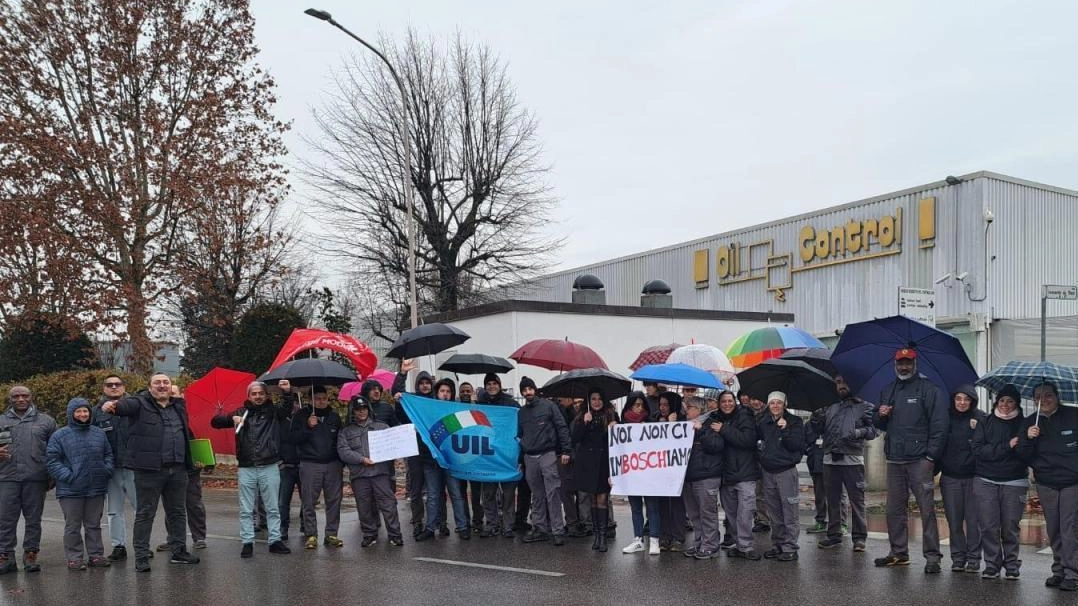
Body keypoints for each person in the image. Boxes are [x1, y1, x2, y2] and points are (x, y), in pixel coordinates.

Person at [100, 374, 199, 572]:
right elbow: (124, 406)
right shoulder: (139, 403)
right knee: (146, 513)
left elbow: (185, 434)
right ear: (149, 387)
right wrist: (111, 407)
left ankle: (179, 551)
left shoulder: (178, 406)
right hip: (149, 470)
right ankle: (142, 557)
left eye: (166, 382)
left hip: (178, 468)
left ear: (171, 387)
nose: (162, 386)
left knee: (178, 512)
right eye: (157, 383)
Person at [872, 348, 947, 573]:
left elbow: (940, 426)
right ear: (895, 364)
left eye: (908, 362)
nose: (904, 367)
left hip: (919, 461)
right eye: (900, 363)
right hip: (894, 459)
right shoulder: (888, 389)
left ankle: (933, 556)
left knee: (926, 509)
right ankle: (898, 553)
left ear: (915, 364)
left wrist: (930, 456)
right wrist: (880, 414)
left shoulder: (929, 389)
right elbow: (879, 423)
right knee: (894, 509)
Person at [211, 380, 293, 557]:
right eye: (254, 394)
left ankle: (275, 540)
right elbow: (215, 422)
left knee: (272, 507)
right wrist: (230, 418)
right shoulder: (241, 412)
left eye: (261, 393)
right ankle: (247, 542)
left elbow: (286, 409)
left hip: (269, 464)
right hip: (246, 467)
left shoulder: (273, 412)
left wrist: (287, 392)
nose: (257, 396)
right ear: (248, 396)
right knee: (246, 509)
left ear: (266, 395)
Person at [1017, 382, 1078, 591]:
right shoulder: (1029, 422)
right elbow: (1023, 455)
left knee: (1068, 527)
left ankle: (1072, 573)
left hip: (1072, 482)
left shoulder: (1073, 415)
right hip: (1046, 482)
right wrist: (1028, 437)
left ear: (1056, 396)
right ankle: (1059, 570)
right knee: (1053, 529)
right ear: (1034, 400)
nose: (1043, 399)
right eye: (1038, 397)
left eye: (1048, 395)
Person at [46, 398, 113, 570]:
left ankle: (96, 555)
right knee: (72, 526)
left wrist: (105, 470)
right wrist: (68, 476)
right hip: (70, 490)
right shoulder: (60, 435)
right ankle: (74, 557)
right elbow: (53, 461)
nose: (83, 414)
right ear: (71, 413)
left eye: (86, 411)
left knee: (93, 525)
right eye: (78, 411)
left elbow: (108, 454)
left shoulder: (99, 433)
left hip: (96, 487)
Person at [812, 375, 876, 552]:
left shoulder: (865, 406)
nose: (841, 385)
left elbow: (874, 430)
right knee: (833, 500)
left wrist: (857, 432)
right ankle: (833, 535)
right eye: (838, 382)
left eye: (845, 381)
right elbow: (817, 429)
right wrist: (816, 417)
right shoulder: (830, 407)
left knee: (857, 501)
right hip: (830, 459)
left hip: (852, 460)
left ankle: (859, 538)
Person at [971, 384, 1027, 580]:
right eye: (1002, 400)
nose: (1005, 404)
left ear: (1017, 403)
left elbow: (1025, 455)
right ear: (997, 401)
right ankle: (992, 564)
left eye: (1010, 401)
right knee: (988, 525)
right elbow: (978, 451)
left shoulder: (1025, 424)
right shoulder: (984, 421)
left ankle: (1012, 564)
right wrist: (1007, 446)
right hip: (985, 480)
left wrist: (1027, 440)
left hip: (1015, 481)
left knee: (1010, 525)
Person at [0, 386, 57, 575]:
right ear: (10, 399)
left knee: (33, 519)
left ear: (31, 397)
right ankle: (6, 557)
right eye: (16, 396)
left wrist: (53, 476)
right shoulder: (1, 420)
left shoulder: (46, 421)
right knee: (6, 519)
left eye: (25, 395)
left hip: (36, 478)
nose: (21, 399)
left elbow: (56, 450)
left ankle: (30, 555)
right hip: (7, 478)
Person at [338, 395, 404, 547]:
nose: (361, 412)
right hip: (359, 476)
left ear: (369, 410)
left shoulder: (382, 426)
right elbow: (343, 451)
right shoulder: (346, 431)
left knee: (388, 505)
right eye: (358, 410)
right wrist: (362, 459)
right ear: (352, 412)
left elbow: (395, 444)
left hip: (380, 473)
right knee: (364, 506)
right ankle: (369, 534)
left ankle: (395, 535)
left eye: (364, 409)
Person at [517, 376, 572, 545]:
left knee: (553, 493)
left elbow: (561, 427)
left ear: (535, 389)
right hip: (529, 457)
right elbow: (520, 436)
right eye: (524, 390)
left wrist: (566, 450)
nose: (528, 392)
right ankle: (539, 528)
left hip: (548, 454)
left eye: (530, 389)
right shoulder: (521, 413)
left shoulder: (549, 406)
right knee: (537, 495)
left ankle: (557, 530)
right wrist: (521, 460)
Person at [936, 384, 984, 572]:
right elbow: (938, 443)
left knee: (973, 522)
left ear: (972, 401)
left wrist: (976, 430)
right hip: (950, 477)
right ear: (953, 400)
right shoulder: (945, 417)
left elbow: (985, 446)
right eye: (958, 398)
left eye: (966, 399)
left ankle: (973, 559)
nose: (962, 403)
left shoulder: (981, 418)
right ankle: (958, 557)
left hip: (974, 477)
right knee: (954, 521)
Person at [416, 379, 471, 541]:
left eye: (448, 391)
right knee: (433, 495)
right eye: (442, 391)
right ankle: (430, 528)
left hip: (451, 461)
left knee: (456, 494)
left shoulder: (457, 410)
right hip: (431, 460)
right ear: (437, 392)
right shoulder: (428, 409)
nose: (445, 394)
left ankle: (462, 527)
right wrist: (402, 377)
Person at [293, 385, 344, 550]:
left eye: (324, 398)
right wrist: (308, 426)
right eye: (317, 398)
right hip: (310, 463)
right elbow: (294, 439)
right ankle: (311, 534)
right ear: (310, 400)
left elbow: (341, 441)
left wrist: (342, 461)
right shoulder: (301, 415)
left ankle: (331, 534)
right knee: (308, 501)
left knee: (334, 501)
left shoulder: (334, 417)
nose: (321, 401)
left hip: (333, 464)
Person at [92, 374, 135, 562]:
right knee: (114, 510)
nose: (114, 387)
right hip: (111, 469)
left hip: (134, 466)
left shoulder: (136, 407)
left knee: (141, 508)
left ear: (124, 387)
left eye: (118, 384)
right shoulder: (95, 412)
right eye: (110, 385)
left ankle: (143, 545)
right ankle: (119, 545)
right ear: (104, 388)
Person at [714, 390, 761, 560]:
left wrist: (724, 430)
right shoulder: (716, 419)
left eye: (730, 401)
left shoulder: (744, 416)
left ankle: (746, 546)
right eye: (724, 401)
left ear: (735, 402)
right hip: (726, 475)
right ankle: (739, 544)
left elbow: (748, 440)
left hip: (744, 473)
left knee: (745, 513)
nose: (727, 404)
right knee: (731, 514)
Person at [757, 391, 804, 562]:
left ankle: (790, 546)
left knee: (789, 511)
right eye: (772, 403)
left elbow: (797, 445)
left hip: (786, 471)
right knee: (774, 512)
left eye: (778, 402)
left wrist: (786, 430)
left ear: (785, 404)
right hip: (768, 472)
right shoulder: (763, 421)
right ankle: (778, 544)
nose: (775, 406)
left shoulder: (795, 422)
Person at [393, 361, 436, 537]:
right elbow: (396, 393)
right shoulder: (411, 402)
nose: (425, 386)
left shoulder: (436, 402)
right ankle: (417, 520)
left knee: (434, 492)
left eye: (427, 383)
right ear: (417, 385)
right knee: (416, 491)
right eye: (421, 383)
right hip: (416, 453)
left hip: (433, 454)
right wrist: (402, 374)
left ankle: (438, 521)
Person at [571, 388, 617, 552]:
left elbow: (618, 441)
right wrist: (585, 422)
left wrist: (615, 427)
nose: (596, 402)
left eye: (599, 399)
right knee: (592, 500)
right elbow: (575, 438)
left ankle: (603, 536)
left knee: (602, 500)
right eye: (593, 399)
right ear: (589, 402)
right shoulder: (582, 416)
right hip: (587, 464)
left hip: (604, 463)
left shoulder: (611, 416)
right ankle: (596, 535)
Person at [680, 396, 724, 560]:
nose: (686, 409)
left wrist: (701, 430)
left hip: (706, 474)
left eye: (689, 407)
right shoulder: (684, 424)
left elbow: (716, 446)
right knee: (694, 514)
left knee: (707, 513)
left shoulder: (712, 423)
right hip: (689, 476)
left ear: (699, 410)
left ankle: (711, 545)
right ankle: (699, 542)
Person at [620, 392, 662, 556]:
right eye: (636, 405)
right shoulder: (622, 424)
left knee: (652, 507)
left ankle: (654, 540)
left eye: (641, 405)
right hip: (631, 472)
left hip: (649, 473)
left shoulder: (650, 422)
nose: (639, 408)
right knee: (635, 507)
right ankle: (638, 539)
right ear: (629, 405)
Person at [478, 372, 520, 539]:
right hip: (488, 456)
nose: (491, 386)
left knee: (508, 494)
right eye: (488, 384)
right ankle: (492, 524)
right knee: (488, 494)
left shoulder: (511, 404)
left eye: (494, 383)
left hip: (507, 456)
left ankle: (508, 526)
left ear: (499, 385)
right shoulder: (480, 405)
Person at [654, 391, 687, 551]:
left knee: (676, 504)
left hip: (676, 470)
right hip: (660, 469)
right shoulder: (655, 419)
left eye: (666, 404)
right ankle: (665, 536)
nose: (662, 408)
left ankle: (678, 537)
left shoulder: (683, 420)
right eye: (660, 404)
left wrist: (673, 424)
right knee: (662, 505)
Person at [278, 386, 307, 542]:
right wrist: (280, 461)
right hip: (286, 466)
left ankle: (305, 524)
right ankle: (283, 528)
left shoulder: (305, 419)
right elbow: (275, 441)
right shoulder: (280, 419)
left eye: (297, 402)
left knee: (306, 498)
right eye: (292, 402)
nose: (294, 405)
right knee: (283, 500)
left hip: (303, 464)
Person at [744, 394, 771, 533]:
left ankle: (763, 519)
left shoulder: (769, 414)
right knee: (752, 491)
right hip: (750, 457)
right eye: (753, 399)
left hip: (764, 457)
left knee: (761, 491)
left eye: (758, 398)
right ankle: (757, 517)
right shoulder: (746, 414)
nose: (755, 402)